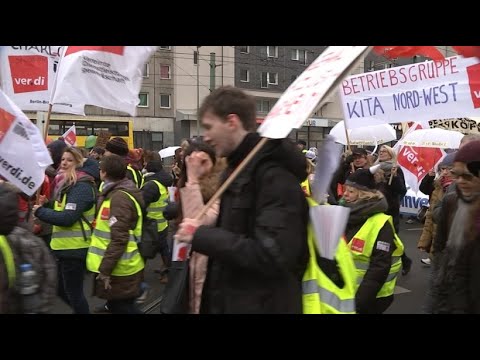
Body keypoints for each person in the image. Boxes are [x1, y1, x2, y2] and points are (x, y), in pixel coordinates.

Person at [174, 86, 309, 314]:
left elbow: (272, 254)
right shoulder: (236, 170)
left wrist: (202, 236)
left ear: (232, 122)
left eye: (208, 127)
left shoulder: (274, 176)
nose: (205, 136)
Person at [33, 147, 97, 314]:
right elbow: (60, 211)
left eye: (69, 160)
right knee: (64, 290)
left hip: (75, 249)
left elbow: (68, 218)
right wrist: (47, 204)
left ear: (78, 163)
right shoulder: (66, 184)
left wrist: (40, 212)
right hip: (63, 248)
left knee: (73, 293)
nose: (64, 163)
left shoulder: (81, 187)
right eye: (63, 159)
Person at [86, 154, 145, 314]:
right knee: (117, 306)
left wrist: (105, 270)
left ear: (104, 173)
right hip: (118, 266)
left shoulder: (119, 198)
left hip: (120, 269)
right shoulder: (115, 192)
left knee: (123, 308)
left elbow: (119, 238)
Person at [343, 169, 404, 314]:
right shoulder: (345, 214)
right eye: (345, 190)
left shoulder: (380, 224)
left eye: (351, 191)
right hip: (347, 293)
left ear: (364, 195)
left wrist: (358, 303)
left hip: (370, 298)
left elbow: (379, 268)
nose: (345, 194)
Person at [429, 140, 480, 313]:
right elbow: (440, 249)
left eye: (468, 176)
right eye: (456, 174)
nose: (459, 181)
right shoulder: (452, 202)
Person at [175, 142, 225, 313]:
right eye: (193, 162)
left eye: (203, 162)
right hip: (191, 262)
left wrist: (192, 180)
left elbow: (198, 223)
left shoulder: (221, 187)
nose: (198, 167)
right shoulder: (187, 184)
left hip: (213, 266)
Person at [373, 145, 411, 275]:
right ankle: (404, 260)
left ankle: (399, 262)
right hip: (376, 207)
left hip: (390, 208)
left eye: (385, 151)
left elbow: (402, 190)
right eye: (380, 151)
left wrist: (394, 177)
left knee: (390, 238)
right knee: (380, 238)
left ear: (391, 154)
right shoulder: (375, 167)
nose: (382, 153)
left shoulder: (396, 169)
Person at [141, 159, 173, 285]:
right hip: (161, 223)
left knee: (143, 250)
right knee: (163, 248)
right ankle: (167, 270)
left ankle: (138, 277)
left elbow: (141, 204)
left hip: (151, 224)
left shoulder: (151, 185)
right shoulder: (162, 182)